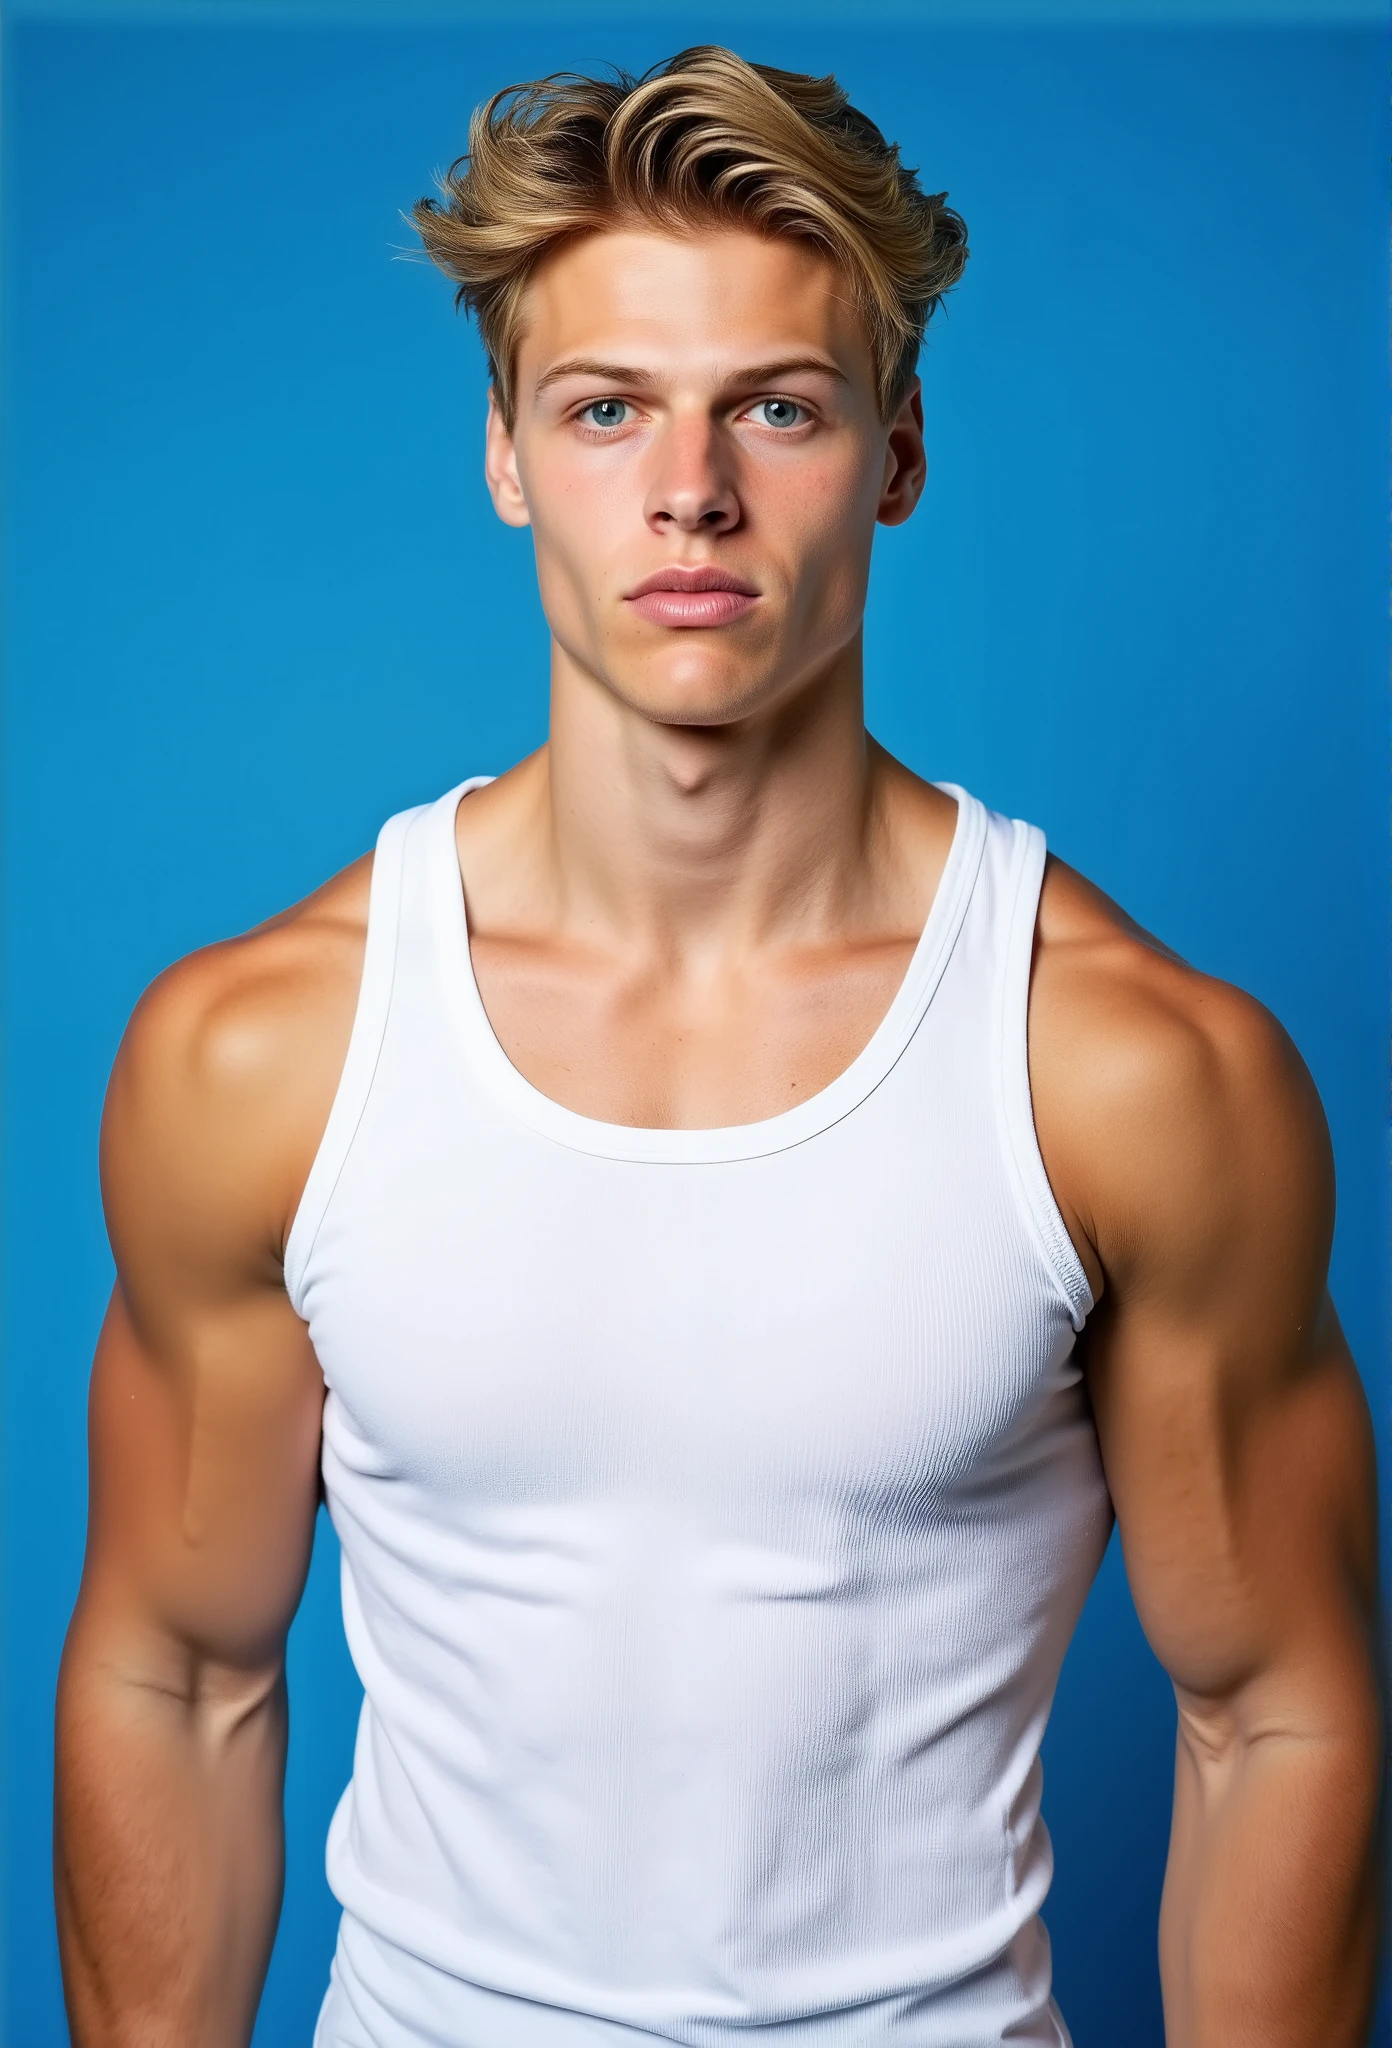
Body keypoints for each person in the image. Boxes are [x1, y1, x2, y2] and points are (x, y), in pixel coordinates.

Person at [53, 45, 1380, 2048]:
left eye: (778, 405)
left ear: (898, 450)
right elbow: (178, 1664)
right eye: (607, 410)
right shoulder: (265, 1050)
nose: (692, 491)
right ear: (505, 453)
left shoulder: (1126, 1071)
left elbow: (1276, 1705)